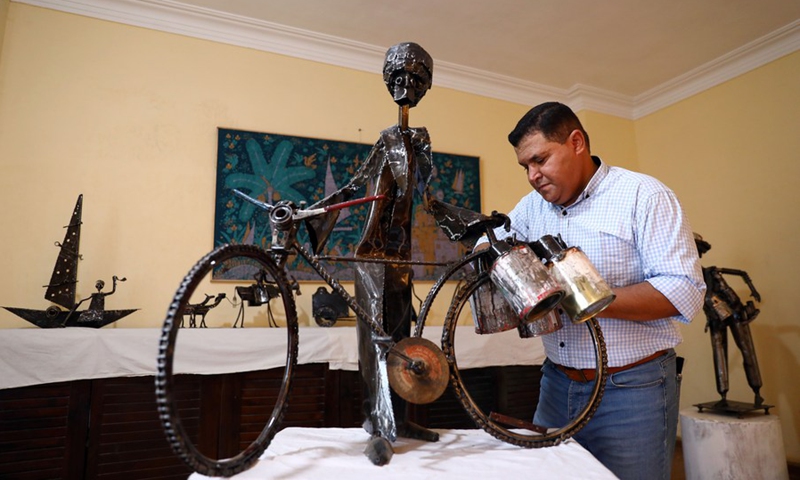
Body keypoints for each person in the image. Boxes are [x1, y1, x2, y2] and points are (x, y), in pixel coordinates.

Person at [485, 102, 705, 479]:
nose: (532, 176)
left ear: (576, 142)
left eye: (540, 160)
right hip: (556, 384)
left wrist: (583, 295)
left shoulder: (644, 196)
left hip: (634, 390)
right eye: (525, 167)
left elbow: (683, 290)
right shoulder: (529, 209)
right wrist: (482, 248)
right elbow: (492, 248)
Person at [305, 42, 441, 466]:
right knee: (376, 344)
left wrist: (465, 221)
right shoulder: (385, 140)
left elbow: (429, 197)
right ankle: (380, 426)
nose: (407, 86)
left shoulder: (419, 140)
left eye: (417, 79)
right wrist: (312, 215)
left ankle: (401, 418)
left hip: (401, 260)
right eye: (399, 77)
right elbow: (356, 184)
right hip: (372, 258)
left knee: (404, 340)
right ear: (388, 80)